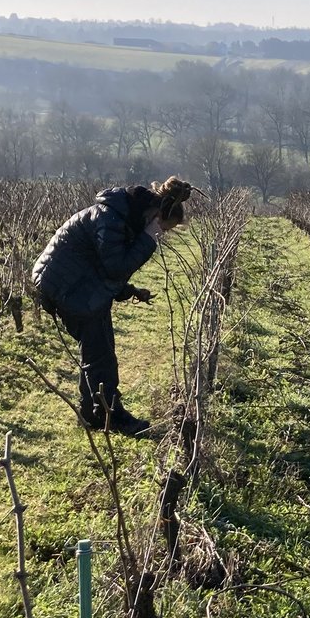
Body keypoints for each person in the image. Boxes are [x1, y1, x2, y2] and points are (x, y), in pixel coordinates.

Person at [32, 177, 192, 438]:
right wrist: (149, 240)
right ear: (155, 215)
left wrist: (130, 291)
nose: (162, 234)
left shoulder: (122, 217)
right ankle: (111, 416)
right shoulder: (111, 218)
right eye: (163, 227)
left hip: (76, 281)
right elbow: (115, 267)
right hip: (66, 285)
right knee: (101, 355)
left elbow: (103, 268)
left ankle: (93, 414)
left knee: (98, 352)